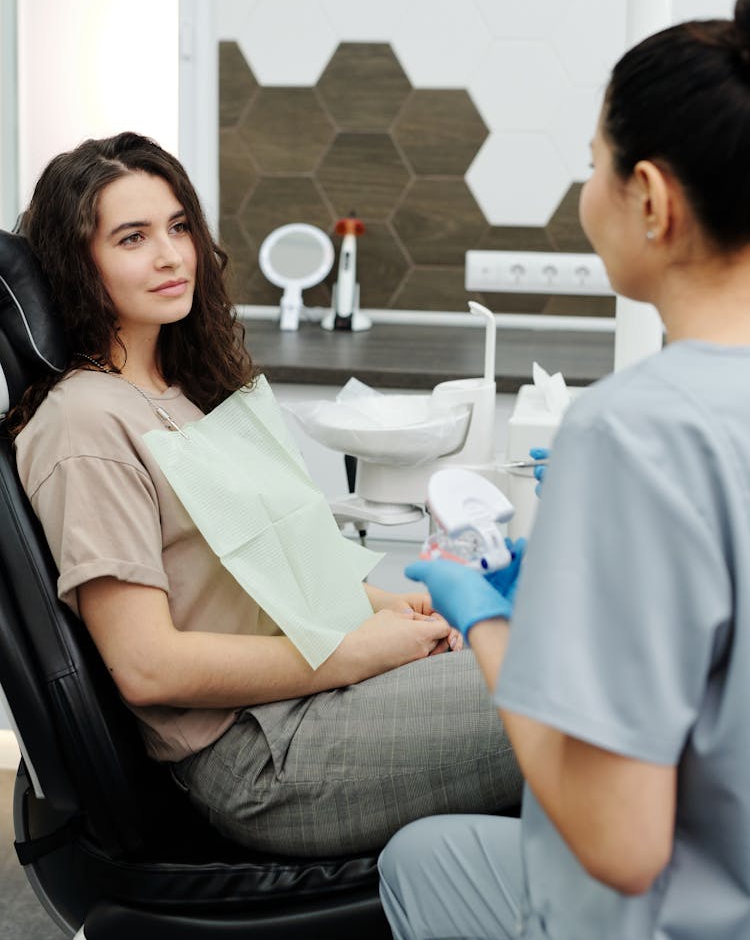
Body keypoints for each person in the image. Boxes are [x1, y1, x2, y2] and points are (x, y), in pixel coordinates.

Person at [8, 132, 522, 858]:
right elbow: (148, 665)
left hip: (310, 700)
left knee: (553, 648)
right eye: (132, 237)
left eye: (179, 226)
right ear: (76, 262)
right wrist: (354, 653)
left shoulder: (180, 394)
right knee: (564, 686)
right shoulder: (86, 420)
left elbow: (267, 570)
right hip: (261, 753)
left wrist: (394, 609)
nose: (171, 255)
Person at [379, 0, 750, 939]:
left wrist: (494, 620)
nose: (586, 190)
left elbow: (620, 842)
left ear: (652, 199)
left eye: (593, 164)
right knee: (425, 858)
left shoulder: (633, 432)